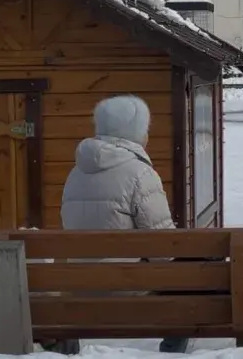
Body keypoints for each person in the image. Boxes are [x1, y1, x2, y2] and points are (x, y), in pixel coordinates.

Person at [50, 95, 188, 355]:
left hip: (78, 288)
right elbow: (164, 251)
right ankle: (172, 350)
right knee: (188, 283)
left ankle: (67, 349)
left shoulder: (75, 173)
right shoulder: (140, 174)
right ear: (135, 133)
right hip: (127, 291)